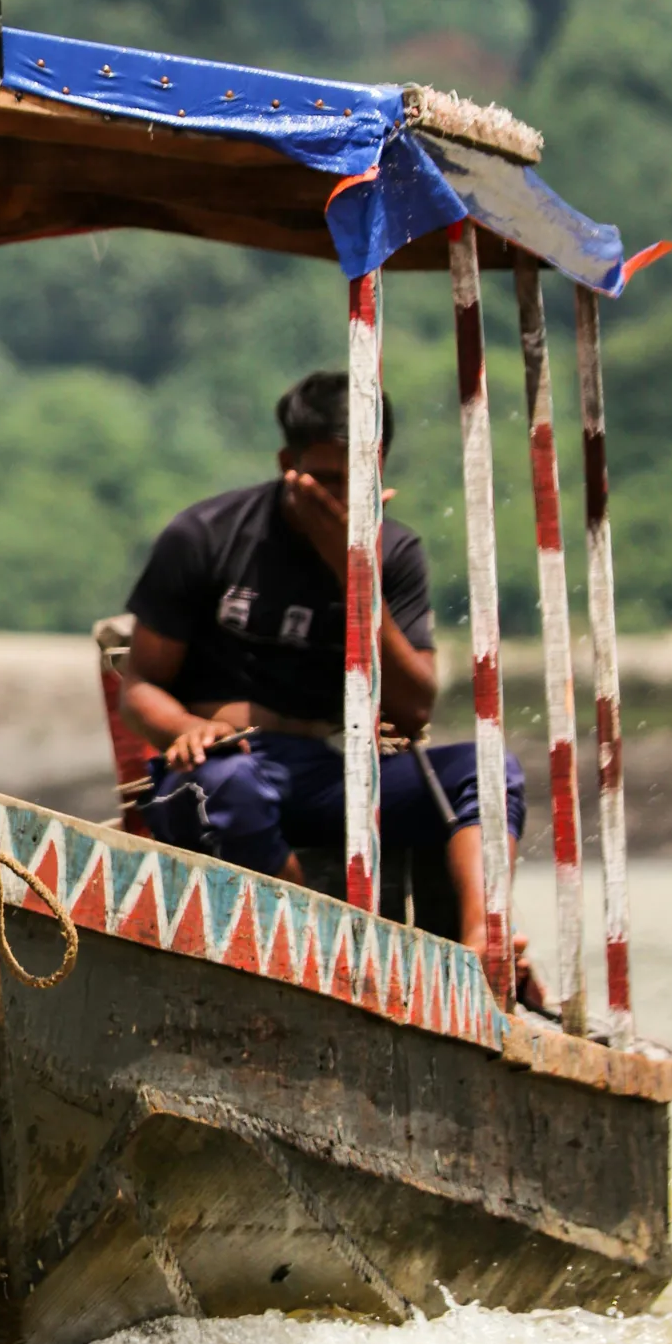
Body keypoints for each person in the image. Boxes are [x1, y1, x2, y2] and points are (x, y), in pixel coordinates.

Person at [95, 370, 532, 982]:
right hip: (221, 773)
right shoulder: (206, 535)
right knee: (227, 786)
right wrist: (187, 728)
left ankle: (486, 947)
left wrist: (354, 573)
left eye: (360, 481)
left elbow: (413, 709)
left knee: (487, 770)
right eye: (326, 480)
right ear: (288, 465)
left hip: (334, 773)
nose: (343, 500)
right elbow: (140, 686)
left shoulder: (394, 553)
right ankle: (326, 951)